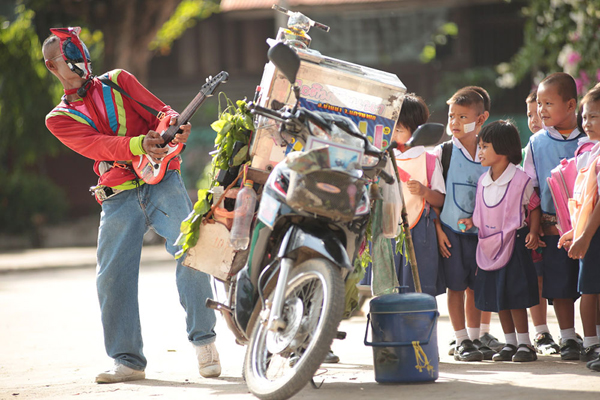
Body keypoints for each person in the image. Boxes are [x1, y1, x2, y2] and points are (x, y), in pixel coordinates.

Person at [42, 27, 220, 383]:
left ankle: (204, 341)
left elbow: (161, 112)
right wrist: (139, 144)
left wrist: (174, 127)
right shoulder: (58, 118)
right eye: (70, 57)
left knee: (192, 251)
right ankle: (127, 360)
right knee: (112, 278)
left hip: (163, 181)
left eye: (81, 53)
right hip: (118, 195)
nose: (81, 62)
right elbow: (99, 146)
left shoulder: (119, 80)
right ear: (53, 67)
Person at [460, 120, 541, 362]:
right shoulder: (483, 180)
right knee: (500, 299)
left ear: (504, 149)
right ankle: (510, 343)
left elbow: (534, 207)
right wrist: (470, 222)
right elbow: (482, 212)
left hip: (514, 245)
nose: (480, 151)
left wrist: (534, 232)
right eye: (480, 146)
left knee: (515, 297)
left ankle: (525, 344)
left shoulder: (521, 179)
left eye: (485, 146)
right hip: (488, 246)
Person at [522, 72, 586, 360]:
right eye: (538, 103)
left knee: (590, 284)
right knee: (559, 284)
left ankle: (593, 337)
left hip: (589, 227)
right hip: (553, 229)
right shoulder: (536, 143)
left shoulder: (589, 139)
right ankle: (569, 337)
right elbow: (531, 189)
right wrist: (537, 226)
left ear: (571, 105)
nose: (540, 110)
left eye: (548, 103)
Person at [433, 87, 494, 361]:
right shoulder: (442, 153)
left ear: (481, 120)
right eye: (451, 116)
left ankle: (475, 336)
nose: (454, 122)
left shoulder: (489, 154)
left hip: (481, 235)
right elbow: (434, 200)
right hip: (451, 234)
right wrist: (437, 230)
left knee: (477, 288)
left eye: (462, 116)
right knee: (456, 287)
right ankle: (461, 340)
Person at [558, 85, 600, 371]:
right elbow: (585, 202)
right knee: (589, 291)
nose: (587, 123)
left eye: (594, 117)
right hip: (591, 235)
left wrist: (584, 234)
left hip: (592, 234)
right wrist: (579, 232)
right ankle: (592, 344)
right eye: (585, 117)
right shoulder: (588, 154)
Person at [392, 93, 446, 297]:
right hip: (389, 230)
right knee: (389, 289)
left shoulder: (429, 160)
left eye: (399, 128)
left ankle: (419, 327)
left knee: (420, 289)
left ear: (416, 131)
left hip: (420, 232)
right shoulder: (384, 157)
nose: (393, 133)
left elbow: (440, 199)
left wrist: (424, 192)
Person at [524, 88, 560, 355]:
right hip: (535, 227)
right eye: (529, 114)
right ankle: (541, 332)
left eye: (539, 112)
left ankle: (569, 334)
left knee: (561, 281)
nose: (534, 119)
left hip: (564, 226)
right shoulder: (531, 148)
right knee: (537, 280)